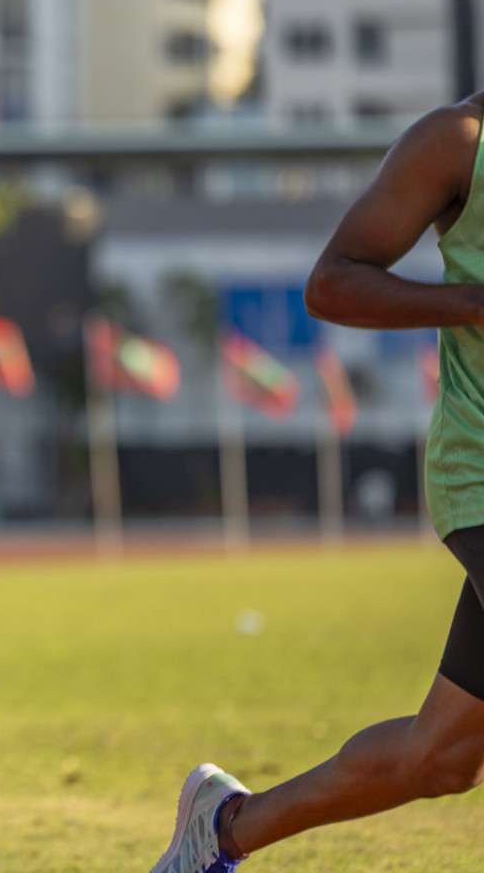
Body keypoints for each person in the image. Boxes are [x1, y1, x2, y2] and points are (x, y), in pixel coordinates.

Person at [148, 91, 484, 872]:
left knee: (444, 756)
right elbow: (333, 283)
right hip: (482, 473)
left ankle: (223, 829)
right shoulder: (458, 142)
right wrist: (473, 302)